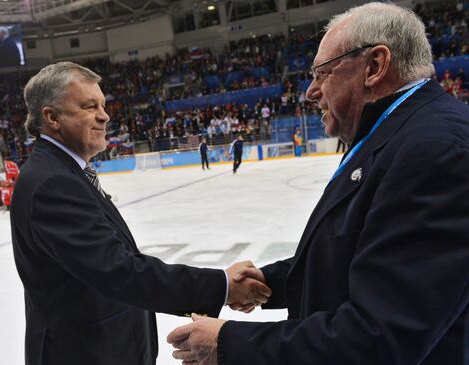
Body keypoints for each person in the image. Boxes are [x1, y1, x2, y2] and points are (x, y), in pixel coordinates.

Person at [167, 3, 469, 364]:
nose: (311, 92)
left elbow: (381, 334)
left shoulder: (435, 149)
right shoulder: (392, 133)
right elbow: (363, 251)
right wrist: (271, 281)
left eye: (322, 73)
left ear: (373, 66)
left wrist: (229, 342)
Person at [10, 62, 271, 365]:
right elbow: (119, 271)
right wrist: (222, 287)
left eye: (103, 105)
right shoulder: (51, 182)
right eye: (89, 106)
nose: (104, 115)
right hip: (86, 353)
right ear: (52, 117)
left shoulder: (66, 172)